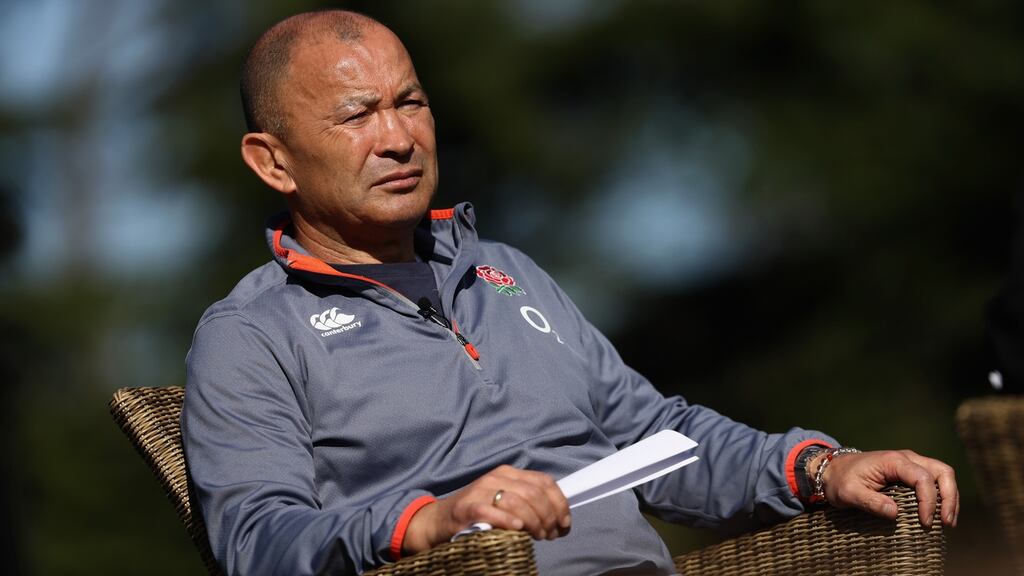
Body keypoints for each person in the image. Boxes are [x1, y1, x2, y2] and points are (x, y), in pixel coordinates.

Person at [181, 10, 959, 576]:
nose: (398, 138)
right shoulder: (252, 334)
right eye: (358, 115)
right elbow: (255, 541)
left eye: (409, 102)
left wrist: (817, 467)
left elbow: (655, 438)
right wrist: (430, 521)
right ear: (273, 161)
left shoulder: (506, 270)